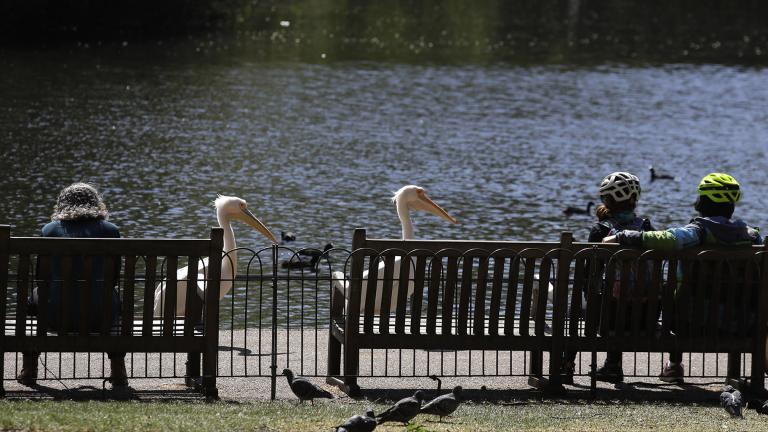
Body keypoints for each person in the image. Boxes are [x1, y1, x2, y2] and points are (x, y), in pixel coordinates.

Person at [605, 172, 763, 383]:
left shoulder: (699, 231)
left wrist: (624, 235)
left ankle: (674, 366)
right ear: (732, 205)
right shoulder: (752, 237)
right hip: (743, 323)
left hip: (690, 322)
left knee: (674, 292)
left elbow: (669, 238)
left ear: (702, 202)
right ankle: (737, 375)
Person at [17, 182, 128, 388]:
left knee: (34, 294)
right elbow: (113, 278)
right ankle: (118, 371)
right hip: (100, 317)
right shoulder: (111, 230)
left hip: (56, 316)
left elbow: (42, 277)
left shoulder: (49, 230)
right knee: (111, 295)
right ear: (96, 204)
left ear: (62, 204)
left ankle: (29, 369)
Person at [562, 171, 654, 384]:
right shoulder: (646, 228)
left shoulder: (601, 230)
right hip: (644, 315)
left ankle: (565, 365)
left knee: (578, 308)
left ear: (606, 199)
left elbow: (588, 277)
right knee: (619, 300)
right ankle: (613, 366)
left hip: (607, 318)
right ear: (635, 200)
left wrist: (589, 294)